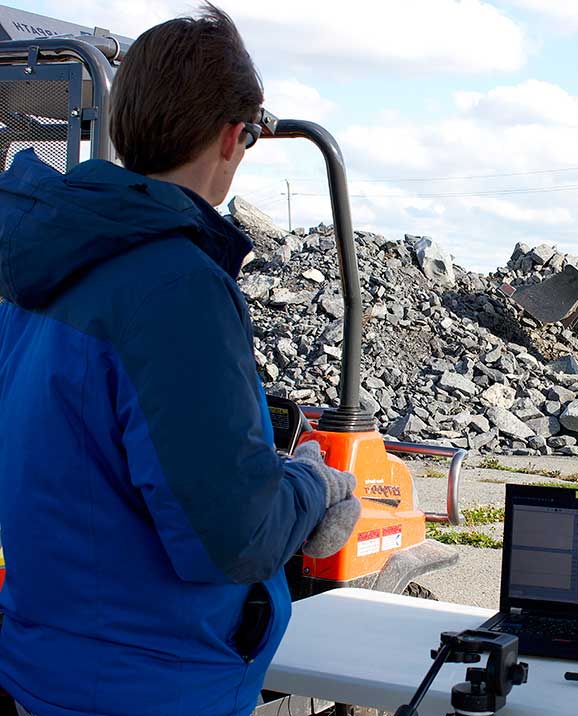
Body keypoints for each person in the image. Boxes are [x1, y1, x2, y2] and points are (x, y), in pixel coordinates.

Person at [0, 5, 360, 716]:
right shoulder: (178, 288)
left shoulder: (39, 270)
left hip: (44, 670)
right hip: (150, 688)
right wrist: (316, 488)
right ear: (234, 137)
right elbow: (232, 536)